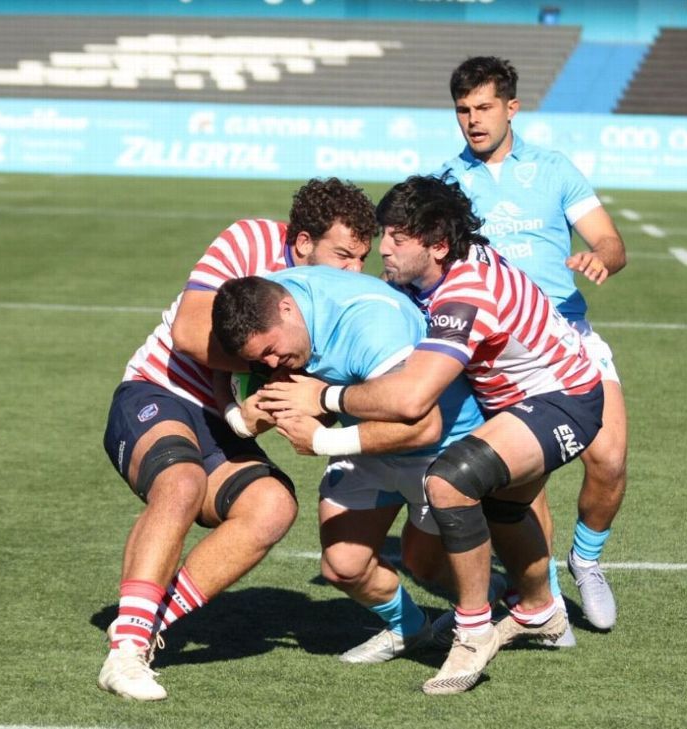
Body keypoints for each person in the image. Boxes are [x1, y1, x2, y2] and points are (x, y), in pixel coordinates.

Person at [260, 175, 600, 694]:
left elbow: (414, 398)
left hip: (564, 399)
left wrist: (324, 400)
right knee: (503, 509)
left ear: (439, 246)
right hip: (516, 404)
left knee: (451, 482)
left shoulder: (464, 294)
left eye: (397, 239)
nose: (384, 251)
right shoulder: (433, 272)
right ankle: (539, 611)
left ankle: (472, 633)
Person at [99, 178, 379, 701]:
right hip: (157, 390)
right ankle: (126, 656)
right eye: (343, 255)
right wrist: (271, 383)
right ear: (301, 243)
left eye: (363, 257)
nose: (354, 271)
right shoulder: (248, 240)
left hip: (221, 424)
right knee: (180, 484)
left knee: (272, 506)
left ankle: (146, 622)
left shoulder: (344, 299)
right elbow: (188, 332)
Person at [212, 267, 495, 667]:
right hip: (365, 443)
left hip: (440, 452)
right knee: (343, 567)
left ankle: (500, 598)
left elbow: (423, 426)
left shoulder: (371, 325)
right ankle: (409, 628)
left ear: (287, 308)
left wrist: (321, 436)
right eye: (259, 358)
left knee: (424, 565)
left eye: (272, 350)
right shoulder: (261, 304)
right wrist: (238, 418)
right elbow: (220, 365)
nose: (273, 363)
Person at [436, 56, 630, 635]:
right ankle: (541, 602)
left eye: (484, 107)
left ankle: (588, 560)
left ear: (511, 107)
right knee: (524, 488)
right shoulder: (446, 182)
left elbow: (610, 241)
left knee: (610, 458)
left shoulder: (553, 169)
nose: (473, 120)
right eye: (463, 110)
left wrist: (601, 258)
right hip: (498, 349)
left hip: (569, 333)